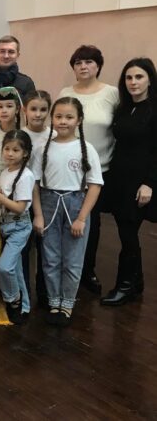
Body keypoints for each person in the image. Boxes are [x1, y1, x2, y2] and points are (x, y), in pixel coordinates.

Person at [32, 97, 103, 326]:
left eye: (69, 117)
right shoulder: (42, 148)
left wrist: (81, 218)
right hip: (49, 203)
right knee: (50, 258)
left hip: (75, 204)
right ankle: (54, 302)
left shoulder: (87, 149)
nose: (63, 121)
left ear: (79, 120)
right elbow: (34, 184)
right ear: (52, 118)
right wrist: (39, 214)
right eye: (59, 116)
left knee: (72, 259)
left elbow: (94, 185)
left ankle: (67, 304)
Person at [59, 45, 119, 294]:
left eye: (89, 62)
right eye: (78, 62)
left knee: (91, 222)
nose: (83, 66)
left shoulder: (112, 93)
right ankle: (66, 266)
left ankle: (87, 270)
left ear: (98, 66)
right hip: (70, 168)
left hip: (101, 169)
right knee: (67, 218)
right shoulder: (65, 93)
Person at [101, 58, 157, 306]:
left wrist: (149, 183)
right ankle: (137, 280)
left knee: (128, 232)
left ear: (150, 80)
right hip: (120, 178)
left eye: (139, 77)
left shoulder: (154, 109)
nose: (133, 82)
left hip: (141, 181)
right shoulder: (124, 108)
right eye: (129, 77)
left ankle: (125, 286)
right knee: (126, 230)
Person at [0, 130, 35, 324]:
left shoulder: (26, 176)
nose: (10, 153)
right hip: (7, 225)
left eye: (16, 150)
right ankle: (24, 307)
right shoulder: (6, 172)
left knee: (4, 268)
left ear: (25, 153)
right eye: (7, 149)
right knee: (15, 268)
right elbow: (7, 194)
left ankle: (14, 300)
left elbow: (20, 207)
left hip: (19, 226)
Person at [21, 90, 56, 306]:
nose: (38, 114)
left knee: (47, 247)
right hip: (23, 197)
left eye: (43, 110)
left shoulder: (54, 135)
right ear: (24, 110)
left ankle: (45, 293)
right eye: (33, 109)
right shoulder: (19, 135)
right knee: (25, 247)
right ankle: (23, 293)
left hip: (48, 195)